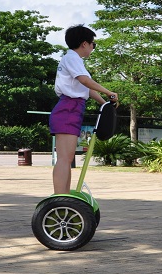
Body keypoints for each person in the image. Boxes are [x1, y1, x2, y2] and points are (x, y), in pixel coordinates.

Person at [50, 25, 118, 195]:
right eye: (93, 44)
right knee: (65, 159)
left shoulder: (73, 60)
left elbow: (86, 88)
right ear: (84, 44)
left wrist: (105, 103)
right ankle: (59, 197)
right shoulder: (72, 58)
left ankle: (64, 195)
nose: (92, 48)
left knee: (67, 158)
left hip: (72, 107)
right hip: (68, 107)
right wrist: (109, 92)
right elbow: (85, 81)